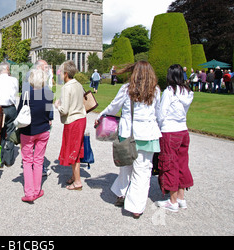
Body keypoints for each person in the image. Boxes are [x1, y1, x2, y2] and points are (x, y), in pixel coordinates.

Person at [95, 61, 161, 219]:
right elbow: (158, 113)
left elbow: (113, 107)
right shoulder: (156, 90)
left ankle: (123, 194)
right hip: (147, 135)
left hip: (128, 133)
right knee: (143, 172)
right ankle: (135, 205)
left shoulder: (126, 89)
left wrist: (100, 115)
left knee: (126, 167)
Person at [155, 64, 194, 212]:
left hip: (170, 131)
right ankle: (181, 197)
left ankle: (172, 201)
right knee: (182, 163)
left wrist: (157, 125)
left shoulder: (169, 91)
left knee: (169, 163)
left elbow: (161, 113)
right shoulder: (187, 92)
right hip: (183, 130)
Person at [17, 68, 54, 203]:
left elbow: (19, 113)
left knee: (27, 161)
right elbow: (49, 114)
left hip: (28, 131)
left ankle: (30, 192)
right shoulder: (49, 94)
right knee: (38, 160)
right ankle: (37, 190)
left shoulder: (26, 94)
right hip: (43, 130)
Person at [54, 60, 87, 191]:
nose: (60, 74)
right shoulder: (78, 84)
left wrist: (57, 106)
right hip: (81, 119)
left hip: (73, 121)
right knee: (77, 147)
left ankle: (78, 181)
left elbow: (65, 110)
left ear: (66, 73)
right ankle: (75, 176)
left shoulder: (66, 87)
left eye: (61, 72)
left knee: (73, 149)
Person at [0, 62, 19, 167]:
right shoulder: (14, 80)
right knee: (10, 133)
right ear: (7, 69)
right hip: (10, 107)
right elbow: (15, 91)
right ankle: (8, 159)